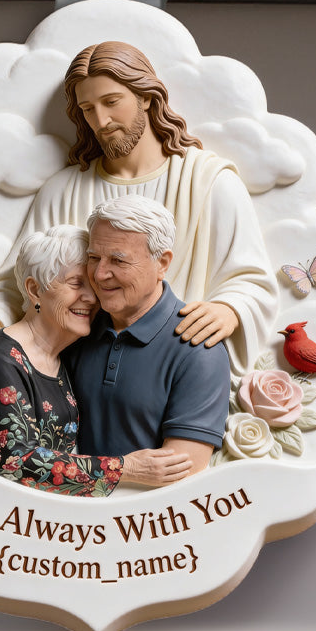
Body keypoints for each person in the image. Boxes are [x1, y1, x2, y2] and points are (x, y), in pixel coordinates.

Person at [0, 40, 278, 381]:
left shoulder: (209, 182)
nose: (101, 121)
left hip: (177, 367)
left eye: (111, 102)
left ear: (146, 96)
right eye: (87, 109)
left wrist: (229, 309)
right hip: (82, 374)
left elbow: (251, 280)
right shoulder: (64, 190)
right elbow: (20, 278)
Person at [0, 225, 192, 496]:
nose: (91, 298)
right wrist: (126, 469)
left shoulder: (62, 355)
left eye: (93, 285)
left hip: (51, 517)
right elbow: (13, 463)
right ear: (34, 290)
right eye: (76, 284)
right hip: (0, 513)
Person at [67, 198, 230, 475]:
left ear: (162, 263)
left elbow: (180, 472)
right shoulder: (77, 325)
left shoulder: (198, 349)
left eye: (118, 260)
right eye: (93, 258)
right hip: (59, 504)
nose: (100, 274)